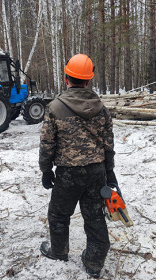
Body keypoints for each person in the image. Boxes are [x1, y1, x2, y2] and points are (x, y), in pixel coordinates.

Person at [39, 54, 117, 278]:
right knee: (94, 216)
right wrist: (109, 172)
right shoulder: (101, 108)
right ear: (88, 80)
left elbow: (47, 143)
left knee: (58, 214)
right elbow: (107, 144)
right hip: (96, 172)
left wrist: (46, 170)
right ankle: (94, 263)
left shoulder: (54, 107)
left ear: (66, 78)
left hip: (68, 174)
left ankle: (58, 251)